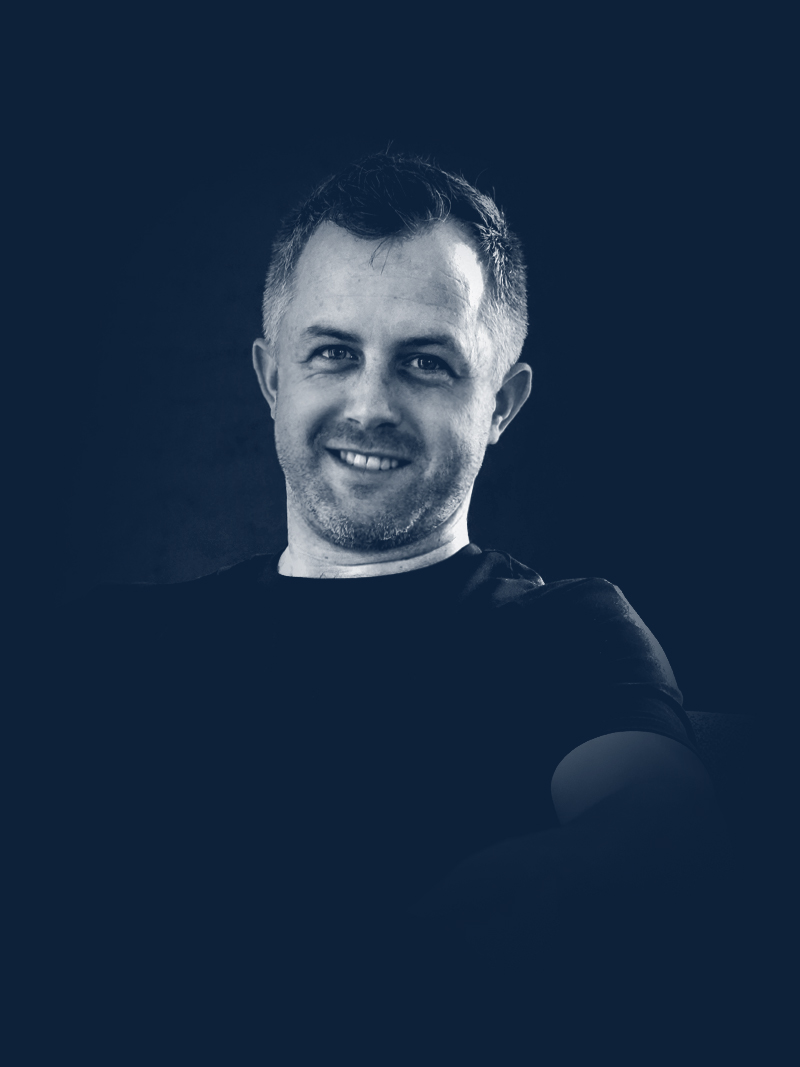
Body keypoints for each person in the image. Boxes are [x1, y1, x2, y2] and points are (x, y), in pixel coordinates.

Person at [55, 153, 734, 1061]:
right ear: (272, 378)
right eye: (333, 353)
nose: (370, 404)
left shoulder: (567, 633)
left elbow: (660, 831)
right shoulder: (113, 643)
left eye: (425, 362)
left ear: (502, 404)